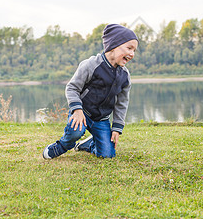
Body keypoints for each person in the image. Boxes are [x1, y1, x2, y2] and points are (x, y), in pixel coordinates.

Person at [42, 24, 138, 159]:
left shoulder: (125, 76)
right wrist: (77, 110)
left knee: (107, 155)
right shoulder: (91, 65)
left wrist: (117, 128)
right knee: (75, 132)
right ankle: (62, 146)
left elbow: (122, 103)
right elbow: (72, 88)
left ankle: (87, 144)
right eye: (129, 48)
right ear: (114, 45)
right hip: (82, 113)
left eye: (134, 50)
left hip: (101, 119)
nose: (132, 54)